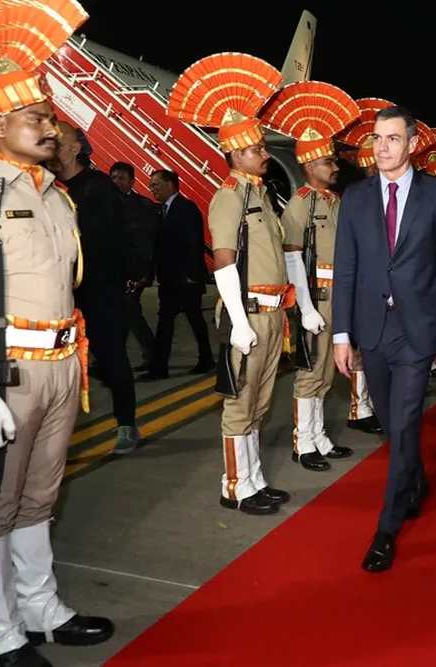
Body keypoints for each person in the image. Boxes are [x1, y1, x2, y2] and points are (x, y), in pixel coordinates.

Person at [0, 2, 115, 664]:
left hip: (63, 366)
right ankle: (1, 635)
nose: (52, 126)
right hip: (5, 373)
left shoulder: (55, 193)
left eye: (49, 116)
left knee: (41, 494)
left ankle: (42, 609)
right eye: (38, 117)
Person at [332, 105, 436, 572]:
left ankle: (386, 527)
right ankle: (416, 476)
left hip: (418, 330)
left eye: (391, 138)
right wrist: (341, 334)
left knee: (406, 422)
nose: (382, 147)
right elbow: (346, 268)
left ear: (412, 144)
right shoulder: (355, 197)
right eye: (376, 138)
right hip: (372, 329)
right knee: (391, 423)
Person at [166, 52, 295, 516]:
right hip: (249, 318)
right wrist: (238, 321)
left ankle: (254, 480)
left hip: (272, 315)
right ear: (237, 153)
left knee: (260, 405)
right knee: (240, 407)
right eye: (258, 149)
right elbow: (224, 262)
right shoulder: (228, 198)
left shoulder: (260, 195)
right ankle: (235, 486)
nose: (265, 154)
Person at [261, 80, 360, 471]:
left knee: (325, 373)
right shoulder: (300, 206)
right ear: (308, 166)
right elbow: (292, 258)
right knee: (309, 371)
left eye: (334, 162)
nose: (335, 168)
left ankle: (318, 436)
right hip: (316, 298)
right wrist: (304, 307)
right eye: (328, 162)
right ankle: (303, 443)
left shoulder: (334, 202)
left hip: (337, 296)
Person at [48, 121, 140, 455]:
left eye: (60, 142)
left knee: (114, 359)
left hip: (100, 292)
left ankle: (126, 424)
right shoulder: (48, 188)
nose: (53, 147)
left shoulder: (98, 188)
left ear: (76, 148)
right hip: (60, 295)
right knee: (62, 371)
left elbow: (113, 241)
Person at [139, 169, 215, 380]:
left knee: (194, 320)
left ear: (170, 185)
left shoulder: (185, 208)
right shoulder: (160, 211)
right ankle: (160, 367)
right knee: (165, 323)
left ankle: (205, 358)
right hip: (169, 278)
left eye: (155, 185)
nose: (152, 189)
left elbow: (194, 242)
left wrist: (192, 274)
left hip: (186, 278)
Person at [109, 161, 159, 372]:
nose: (117, 182)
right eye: (113, 178)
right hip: (112, 269)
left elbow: (148, 242)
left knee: (130, 313)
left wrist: (143, 273)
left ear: (131, 182)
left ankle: (153, 354)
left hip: (133, 271)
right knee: (120, 314)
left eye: (121, 178)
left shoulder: (144, 207)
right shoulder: (106, 205)